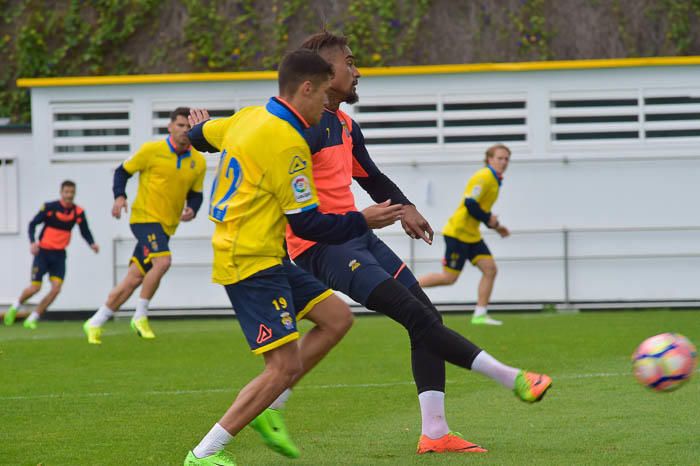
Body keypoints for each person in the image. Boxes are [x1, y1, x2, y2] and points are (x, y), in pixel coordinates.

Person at [285, 32, 551, 454]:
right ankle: (511, 377)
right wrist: (204, 132)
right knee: (417, 317)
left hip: (358, 237)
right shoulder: (299, 129)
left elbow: (370, 177)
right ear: (322, 73)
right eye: (350, 63)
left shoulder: (345, 125)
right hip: (322, 246)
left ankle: (435, 433)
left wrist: (405, 207)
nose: (357, 72)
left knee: (427, 314)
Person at [183, 49, 403, 465]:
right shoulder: (289, 144)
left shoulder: (249, 116)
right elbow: (308, 226)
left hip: (266, 252)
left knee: (337, 318)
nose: (327, 103)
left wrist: (194, 135)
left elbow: (202, 136)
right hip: (248, 260)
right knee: (282, 366)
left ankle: (271, 407)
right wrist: (363, 219)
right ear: (305, 88)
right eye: (322, 93)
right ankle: (204, 453)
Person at [82, 107, 206, 344]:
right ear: (170, 126)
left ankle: (95, 321)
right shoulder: (152, 151)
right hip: (144, 219)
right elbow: (122, 171)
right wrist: (119, 196)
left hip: (167, 227)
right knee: (163, 261)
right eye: (180, 125)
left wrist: (193, 208)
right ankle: (140, 316)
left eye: (189, 127)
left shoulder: (197, 162)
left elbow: (196, 194)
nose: (184, 131)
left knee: (134, 278)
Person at [419, 144, 512, 326]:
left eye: (506, 159)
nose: (503, 162)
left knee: (490, 269)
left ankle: (480, 314)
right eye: (499, 158)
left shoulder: (495, 179)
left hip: (472, 235)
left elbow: (481, 210)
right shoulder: (484, 176)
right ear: (489, 159)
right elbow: (470, 204)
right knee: (448, 278)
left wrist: (496, 226)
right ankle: (407, 286)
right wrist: (490, 219)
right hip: (458, 233)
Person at [3, 180, 99, 329]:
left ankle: (33, 318)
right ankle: (15, 307)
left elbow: (84, 230)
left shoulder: (78, 212)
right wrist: (32, 242)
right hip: (43, 253)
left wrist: (92, 243)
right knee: (35, 288)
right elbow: (32, 224)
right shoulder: (49, 208)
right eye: (66, 192)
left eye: (72, 192)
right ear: (61, 193)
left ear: (74, 193)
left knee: (56, 289)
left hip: (59, 255)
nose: (69, 195)